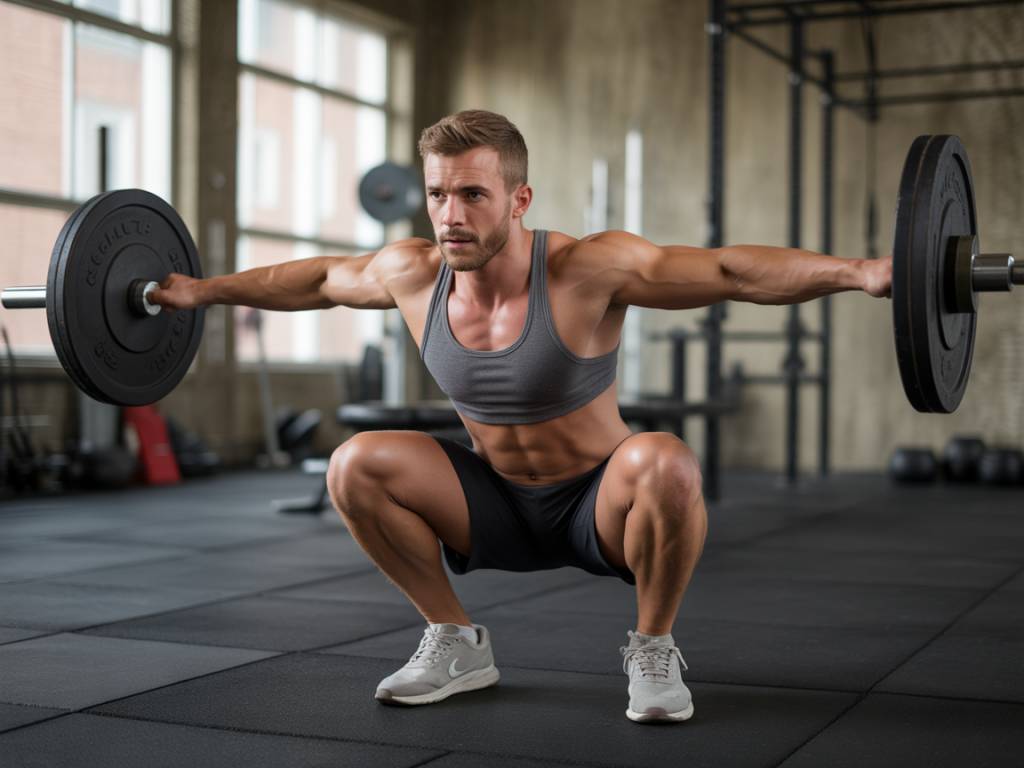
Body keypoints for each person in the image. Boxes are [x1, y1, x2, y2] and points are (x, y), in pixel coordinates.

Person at [152, 109, 893, 724]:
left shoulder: (587, 268)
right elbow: (315, 280)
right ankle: (454, 639)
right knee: (356, 462)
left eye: (473, 194)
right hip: (493, 502)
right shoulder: (411, 273)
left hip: (597, 505)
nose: (451, 215)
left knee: (666, 459)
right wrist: (201, 291)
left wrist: (857, 273)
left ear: (519, 199)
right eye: (439, 194)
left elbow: (732, 271)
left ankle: (653, 648)